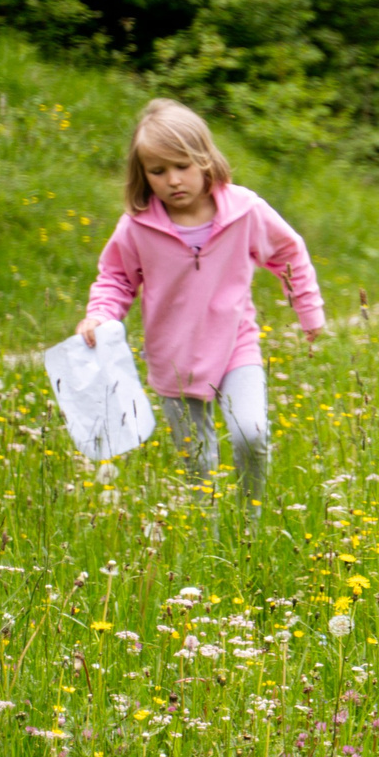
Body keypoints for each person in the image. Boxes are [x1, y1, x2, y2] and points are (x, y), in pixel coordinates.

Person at [78, 99, 325, 514]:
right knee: (197, 462)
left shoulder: (244, 211)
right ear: (142, 174)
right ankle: (204, 535)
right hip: (172, 357)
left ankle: (249, 521)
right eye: (158, 171)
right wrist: (99, 315)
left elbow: (289, 252)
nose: (173, 180)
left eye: (183, 166)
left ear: (205, 159)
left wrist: (309, 311)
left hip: (236, 345)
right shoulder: (137, 226)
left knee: (251, 433)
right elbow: (116, 278)